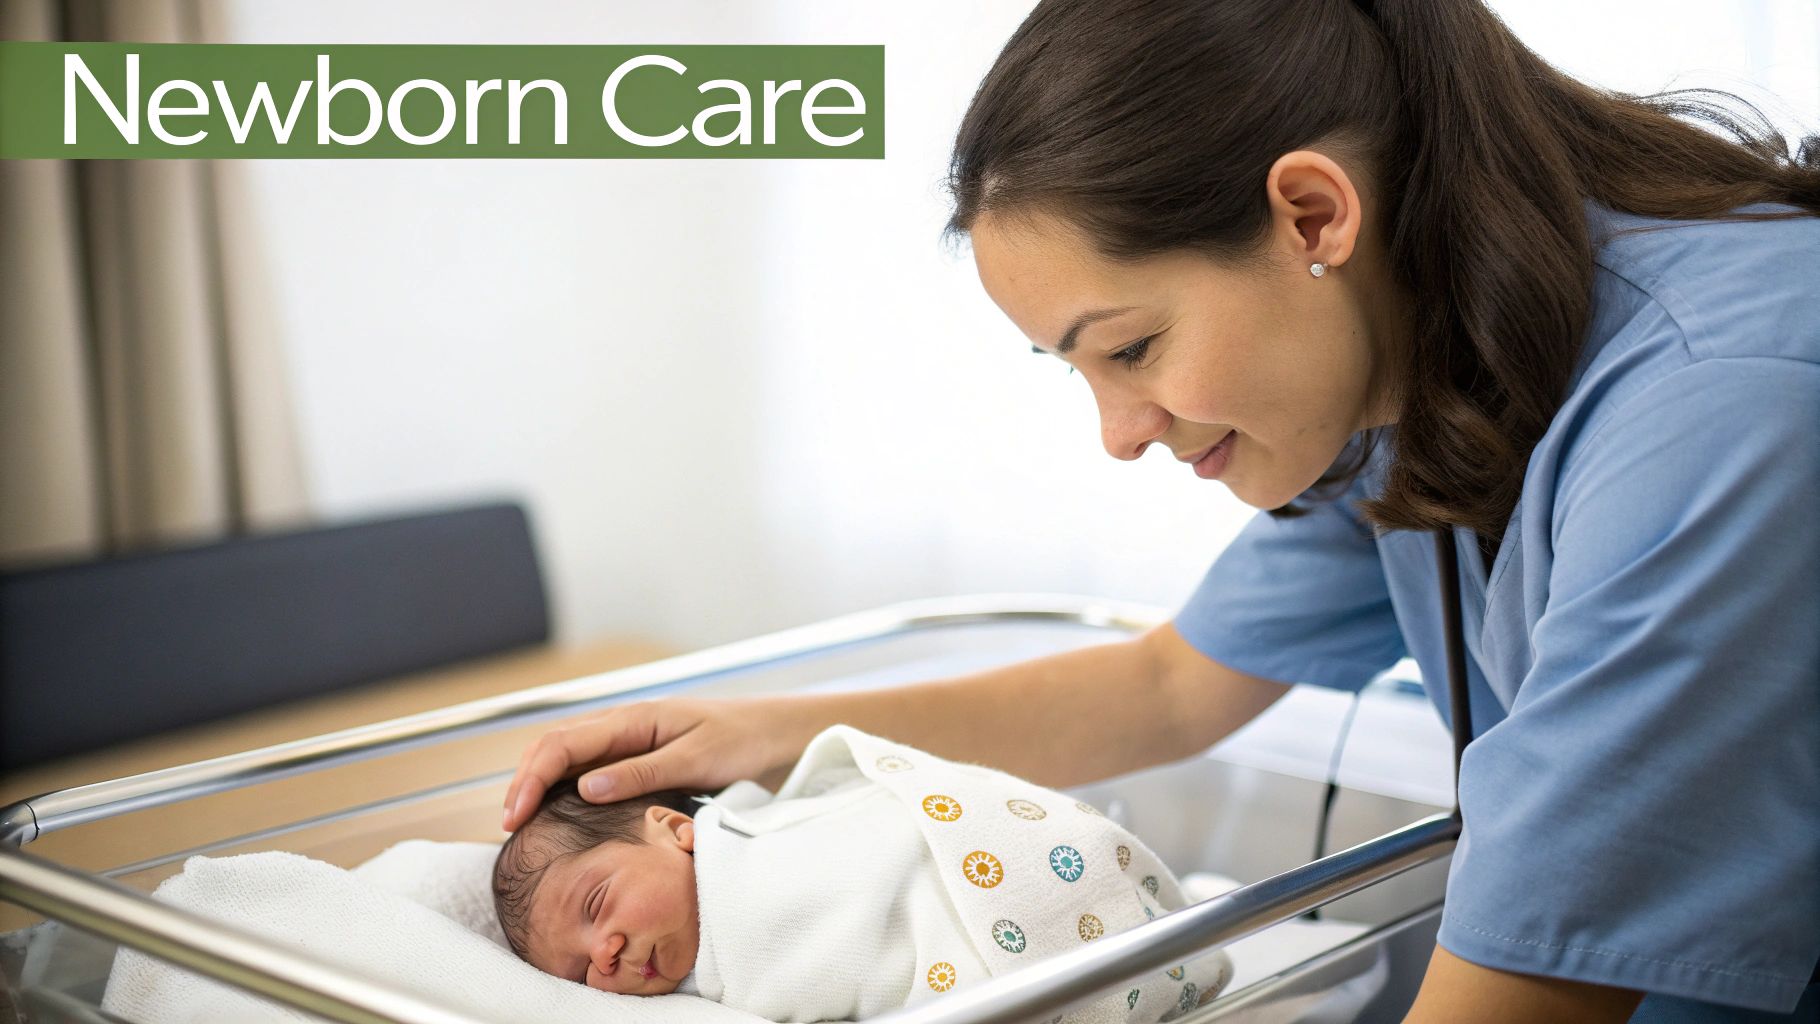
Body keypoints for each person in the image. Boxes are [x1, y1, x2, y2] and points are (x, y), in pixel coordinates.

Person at [503, 0, 1820, 1020]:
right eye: (1074, 369)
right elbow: (1173, 684)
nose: (1119, 433)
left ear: (1312, 215)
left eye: (1129, 348)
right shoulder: (1423, 370)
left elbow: (1531, 976)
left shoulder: (1716, 409)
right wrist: (764, 735)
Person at [491, 726, 1232, 1021]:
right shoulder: (698, 1003)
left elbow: (882, 834)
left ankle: (1162, 910)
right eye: (579, 971)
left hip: (986, 861)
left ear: (676, 829)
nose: (604, 957)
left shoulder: (745, 836)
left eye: (597, 904)